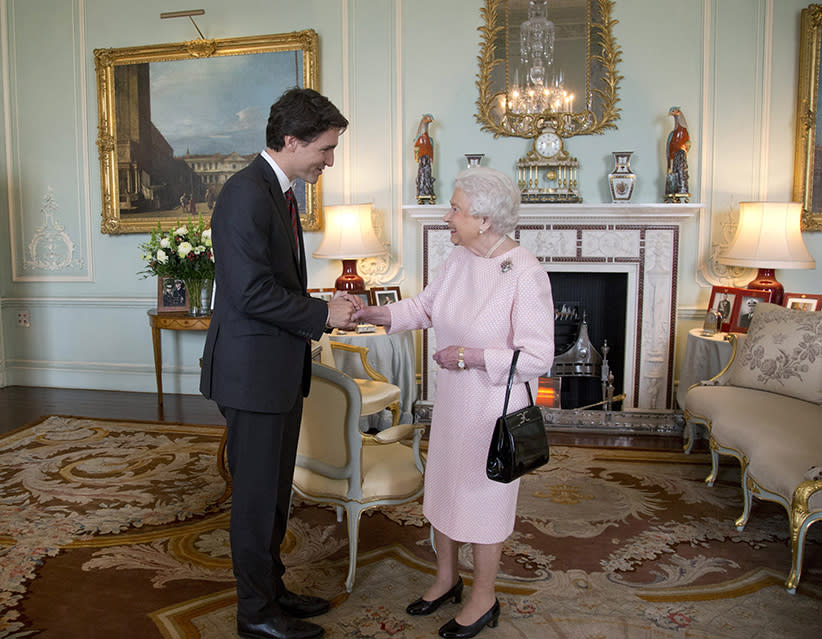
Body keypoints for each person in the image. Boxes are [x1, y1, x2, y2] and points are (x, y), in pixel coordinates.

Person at [353, 167, 554, 639]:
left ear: (483, 219)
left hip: (493, 409)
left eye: (456, 209)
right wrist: (374, 312)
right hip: (454, 403)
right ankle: (446, 578)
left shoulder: (524, 271)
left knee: (485, 500)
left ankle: (484, 597)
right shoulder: (460, 257)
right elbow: (425, 307)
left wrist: (469, 356)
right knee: (444, 490)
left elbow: (538, 355)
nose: (449, 216)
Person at [200, 87, 363, 639]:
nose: (329, 160)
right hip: (251, 375)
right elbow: (249, 294)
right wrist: (323, 312)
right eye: (325, 148)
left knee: (272, 493)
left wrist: (317, 306)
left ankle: (273, 592)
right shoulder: (245, 194)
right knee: (253, 500)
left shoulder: (278, 190)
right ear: (291, 141)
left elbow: (271, 282)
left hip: (272, 371)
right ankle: (256, 615)